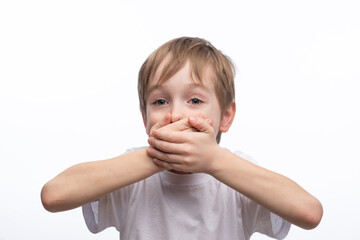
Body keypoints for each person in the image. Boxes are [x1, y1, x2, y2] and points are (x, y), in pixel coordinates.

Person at [41, 37, 323, 239]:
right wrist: (154, 157)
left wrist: (214, 160)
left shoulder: (234, 173)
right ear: (145, 119)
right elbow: (53, 196)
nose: (175, 115)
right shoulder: (130, 173)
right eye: (160, 102)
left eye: (195, 100)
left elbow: (310, 213)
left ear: (225, 116)